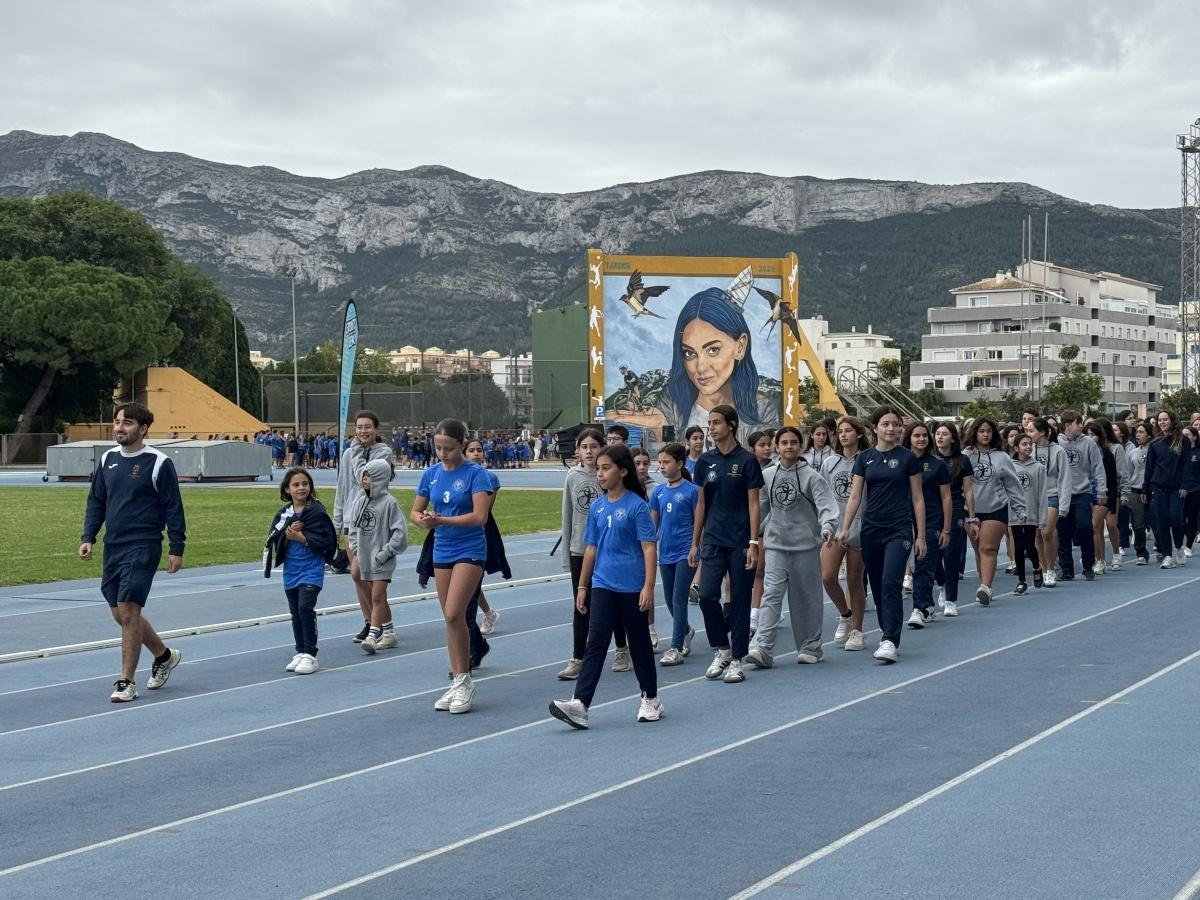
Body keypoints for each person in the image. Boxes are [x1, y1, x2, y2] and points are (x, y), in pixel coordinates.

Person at [79, 402, 186, 703]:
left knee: (128, 609)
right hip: (114, 545)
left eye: (127, 423)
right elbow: (96, 501)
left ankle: (126, 681)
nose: (119, 428)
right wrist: (89, 536)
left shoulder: (159, 462)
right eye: (117, 422)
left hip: (144, 543)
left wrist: (176, 547)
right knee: (122, 614)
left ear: (143, 429)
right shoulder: (108, 459)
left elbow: (173, 507)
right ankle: (164, 656)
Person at [550, 445, 661, 729]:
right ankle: (580, 704)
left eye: (606, 468)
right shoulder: (597, 508)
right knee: (596, 641)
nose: (600, 473)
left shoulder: (637, 506)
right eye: (598, 469)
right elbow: (591, 548)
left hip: (632, 586)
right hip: (602, 584)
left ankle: (650, 697)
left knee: (639, 643)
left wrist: (648, 586)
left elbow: (649, 548)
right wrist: (582, 586)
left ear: (622, 471)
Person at [412, 419, 492, 713]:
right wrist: (423, 520)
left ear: (461, 445)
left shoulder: (476, 474)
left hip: (470, 548)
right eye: (438, 448)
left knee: (454, 612)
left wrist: (442, 520)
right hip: (442, 548)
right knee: (450, 620)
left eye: (448, 448)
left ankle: (465, 680)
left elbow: (480, 516)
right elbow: (415, 511)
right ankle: (459, 680)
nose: (442, 454)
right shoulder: (431, 474)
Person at [746, 426, 839, 668]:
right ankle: (762, 647)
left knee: (806, 599)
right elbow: (760, 509)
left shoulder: (812, 477)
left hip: (805, 547)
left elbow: (826, 505)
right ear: (777, 447)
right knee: (771, 595)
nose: (789, 447)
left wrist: (828, 527)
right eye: (784, 442)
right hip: (776, 546)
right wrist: (750, 535)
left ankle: (810, 647)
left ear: (800, 446)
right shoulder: (767, 476)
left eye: (793, 442)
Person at [838, 406, 925, 663]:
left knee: (890, 583)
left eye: (895, 424)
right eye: (885, 424)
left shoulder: (908, 458)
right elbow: (855, 496)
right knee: (876, 585)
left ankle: (890, 639)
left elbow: (918, 498)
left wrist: (920, 535)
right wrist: (845, 527)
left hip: (899, 529)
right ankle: (886, 629)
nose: (891, 428)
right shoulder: (864, 458)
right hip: (871, 530)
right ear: (875, 428)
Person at [690, 404, 764, 684]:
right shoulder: (704, 461)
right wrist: (695, 543)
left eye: (716, 422)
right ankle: (722, 648)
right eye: (709, 423)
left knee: (741, 600)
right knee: (707, 596)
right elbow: (701, 504)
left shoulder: (747, 460)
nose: (711, 427)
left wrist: (753, 542)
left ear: (731, 425)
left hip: (741, 542)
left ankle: (737, 660)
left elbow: (754, 504)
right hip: (713, 540)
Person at [657, 286, 779, 447]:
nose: (701, 368)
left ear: (740, 347)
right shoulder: (672, 403)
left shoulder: (762, 411)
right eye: (689, 353)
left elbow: (765, 455)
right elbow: (665, 454)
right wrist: (657, 430)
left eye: (713, 350)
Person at [558, 427, 630, 678]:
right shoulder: (572, 477)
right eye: (584, 447)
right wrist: (567, 555)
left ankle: (621, 648)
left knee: (614, 602)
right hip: (580, 549)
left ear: (602, 449)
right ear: (578, 451)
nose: (588, 452)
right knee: (581, 604)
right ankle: (578, 657)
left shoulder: (610, 476)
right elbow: (567, 516)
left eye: (593, 447)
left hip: (608, 550)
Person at [264, 467, 336, 674]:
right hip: (291, 569)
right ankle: (300, 651)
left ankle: (311, 654)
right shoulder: (283, 514)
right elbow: (275, 539)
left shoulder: (317, 512)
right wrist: (288, 535)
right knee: (295, 611)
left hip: (311, 568)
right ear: (287, 489)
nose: (301, 488)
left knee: (305, 608)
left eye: (304, 484)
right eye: (296, 485)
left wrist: (301, 538)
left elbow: (326, 540)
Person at [333, 411, 396, 643]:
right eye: (359, 427)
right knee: (357, 576)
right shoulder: (348, 453)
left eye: (367, 427)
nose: (363, 431)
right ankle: (370, 621)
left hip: (373, 520)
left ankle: (383, 626)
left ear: (376, 429)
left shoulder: (383, 452)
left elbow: (364, 478)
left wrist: (357, 450)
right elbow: (343, 488)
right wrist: (337, 523)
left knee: (368, 576)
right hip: (352, 520)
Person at [963, 417, 1027, 605]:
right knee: (978, 550)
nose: (985, 435)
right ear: (975, 433)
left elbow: (1013, 485)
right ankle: (984, 584)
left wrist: (1020, 509)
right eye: (981, 431)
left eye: (989, 431)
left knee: (988, 548)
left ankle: (986, 586)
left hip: (995, 509)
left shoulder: (1002, 457)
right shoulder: (965, 455)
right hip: (971, 510)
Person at [649, 442, 699, 666]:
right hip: (665, 552)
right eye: (660, 462)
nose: (662, 466)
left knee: (679, 598)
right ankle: (686, 630)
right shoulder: (658, 492)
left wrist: (695, 546)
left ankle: (676, 647)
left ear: (679, 463)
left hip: (685, 552)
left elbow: (699, 521)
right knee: (669, 600)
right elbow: (652, 525)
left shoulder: (692, 491)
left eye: (666, 462)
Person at [350, 458, 408, 654]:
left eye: (369, 477)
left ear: (380, 479)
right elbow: (354, 529)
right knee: (380, 597)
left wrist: (385, 553)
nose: (364, 480)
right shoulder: (360, 502)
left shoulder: (390, 503)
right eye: (364, 476)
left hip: (383, 561)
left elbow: (400, 534)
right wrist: (356, 549)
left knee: (376, 596)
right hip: (365, 559)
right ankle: (389, 633)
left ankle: (372, 636)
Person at [822, 416, 871, 648]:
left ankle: (857, 631)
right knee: (828, 576)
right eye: (840, 431)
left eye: (848, 430)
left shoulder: (868, 460)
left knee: (854, 580)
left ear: (859, 434)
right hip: (834, 526)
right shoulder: (829, 462)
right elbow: (823, 495)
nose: (843, 435)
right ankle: (845, 614)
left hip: (860, 527)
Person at [902, 421, 951, 626]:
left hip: (931, 521)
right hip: (903, 521)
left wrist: (946, 529)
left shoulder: (937, 464)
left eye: (924, 435)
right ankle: (929, 606)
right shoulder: (900, 461)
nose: (921, 439)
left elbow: (946, 497)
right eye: (916, 435)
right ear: (909, 438)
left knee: (923, 564)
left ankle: (919, 609)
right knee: (911, 566)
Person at [932, 422, 977, 615]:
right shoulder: (929, 459)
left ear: (952, 438)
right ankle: (941, 583)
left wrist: (972, 518)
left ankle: (951, 600)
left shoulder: (962, 460)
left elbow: (968, 490)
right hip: (933, 509)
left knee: (951, 555)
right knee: (933, 554)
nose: (940, 437)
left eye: (944, 434)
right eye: (937, 434)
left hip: (956, 508)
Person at [1056, 410, 1106, 581]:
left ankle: (1088, 565)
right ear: (1068, 425)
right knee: (1063, 532)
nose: (1081, 427)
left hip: (1082, 492)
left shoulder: (1088, 443)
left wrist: (1102, 490)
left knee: (1085, 527)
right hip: (1062, 494)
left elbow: (1098, 467)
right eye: (1078, 424)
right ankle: (1066, 568)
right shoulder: (1057, 443)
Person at [464, 438, 502, 637]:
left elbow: (484, 510)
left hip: (481, 531)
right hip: (459, 532)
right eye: (471, 450)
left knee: (473, 581)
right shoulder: (457, 475)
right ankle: (489, 613)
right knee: (469, 583)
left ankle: (480, 618)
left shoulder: (490, 478)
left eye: (479, 450)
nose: (476, 454)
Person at [1144, 410, 1190, 568]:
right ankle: (1168, 555)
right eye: (1160, 420)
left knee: (1176, 519)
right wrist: (1145, 489)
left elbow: (1186, 464)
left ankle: (1179, 546)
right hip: (1159, 487)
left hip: (1176, 487)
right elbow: (1149, 468)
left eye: (1165, 419)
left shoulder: (1183, 441)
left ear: (1172, 421)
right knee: (1162, 522)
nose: (1162, 422)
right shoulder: (1155, 443)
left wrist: (1185, 485)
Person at [1027, 417, 1069, 587]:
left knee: (1046, 532)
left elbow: (1064, 478)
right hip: (1034, 498)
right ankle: (1044, 569)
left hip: (1053, 496)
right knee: (1037, 534)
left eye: (1031, 431)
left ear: (1043, 432)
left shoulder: (1058, 451)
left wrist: (1064, 505)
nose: (1028, 434)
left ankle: (1051, 569)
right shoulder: (1029, 451)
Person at [631, 446, 660, 648]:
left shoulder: (655, 489)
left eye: (645, 463)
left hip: (647, 546)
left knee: (646, 588)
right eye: (637, 464)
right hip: (627, 546)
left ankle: (650, 628)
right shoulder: (623, 488)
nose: (642, 467)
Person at [1010, 433, 1046, 594]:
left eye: (1030, 444)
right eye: (1024, 444)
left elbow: (1042, 493)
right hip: (1015, 512)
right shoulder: (1010, 466)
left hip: (1031, 511)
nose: (1028, 447)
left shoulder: (1038, 467)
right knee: (1018, 545)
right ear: (1016, 448)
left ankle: (1037, 566)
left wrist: (1042, 516)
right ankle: (1021, 580)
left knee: (1030, 544)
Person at [1085, 419, 1123, 574]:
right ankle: (1099, 558)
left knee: (1100, 525)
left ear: (1100, 436)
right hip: (1087, 493)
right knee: (1096, 528)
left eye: (1093, 434)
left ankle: (1115, 554)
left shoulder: (1107, 454)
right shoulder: (1083, 452)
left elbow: (1114, 478)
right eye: (1087, 434)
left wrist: (1114, 500)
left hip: (1104, 494)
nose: (1090, 437)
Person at [747, 430, 775, 635]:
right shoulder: (746, 468)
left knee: (760, 571)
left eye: (768, 444)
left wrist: (761, 528)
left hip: (765, 528)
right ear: (752, 449)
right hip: (744, 528)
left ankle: (755, 615)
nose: (767, 448)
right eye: (761, 445)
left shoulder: (775, 470)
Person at [1125, 420, 1153, 565]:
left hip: (1153, 490)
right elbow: (1129, 473)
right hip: (1136, 489)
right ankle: (1141, 552)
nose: (1138, 435)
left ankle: (1161, 548)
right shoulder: (1133, 452)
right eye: (1137, 432)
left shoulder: (1155, 450)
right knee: (1138, 524)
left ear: (1149, 435)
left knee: (1156, 522)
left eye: (1141, 432)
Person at [1182, 425, 1200, 557]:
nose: (1185, 437)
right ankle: (1186, 537)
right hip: (1180, 490)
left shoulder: (1198, 452)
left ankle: (1188, 545)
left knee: (1192, 517)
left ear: (1194, 437)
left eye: (1187, 435)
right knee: (1179, 519)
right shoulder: (1179, 452)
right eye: (1183, 435)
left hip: (1195, 489)